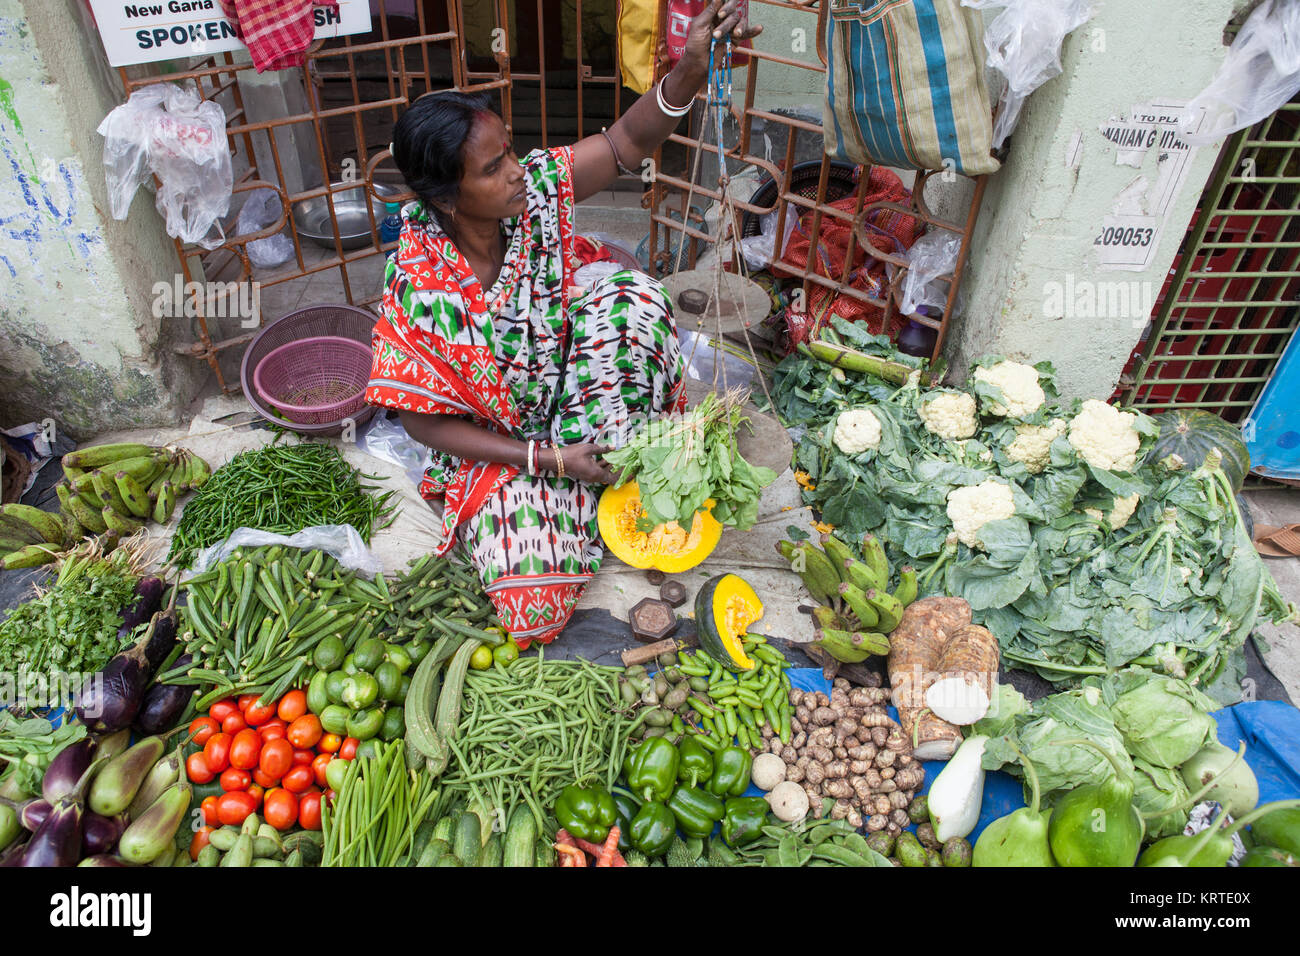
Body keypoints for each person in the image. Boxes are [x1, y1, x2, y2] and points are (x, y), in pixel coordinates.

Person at [365, 1, 762, 648]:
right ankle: (575, 481)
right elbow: (420, 422)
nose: (517, 172)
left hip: (568, 377)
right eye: (492, 169)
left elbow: (627, 141)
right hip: (504, 441)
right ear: (444, 197)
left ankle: (603, 471)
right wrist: (547, 459)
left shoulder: (534, 194)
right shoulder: (422, 282)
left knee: (632, 298)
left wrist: (689, 68)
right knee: (534, 611)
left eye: (510, 154)